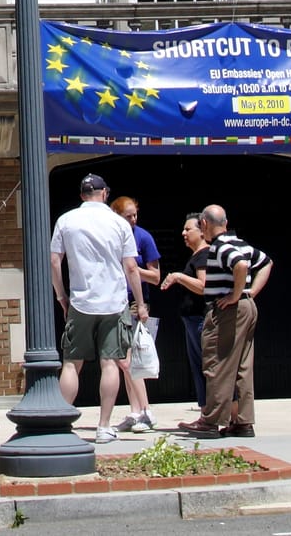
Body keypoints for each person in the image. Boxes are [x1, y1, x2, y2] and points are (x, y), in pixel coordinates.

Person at [48, 174, 145, 445]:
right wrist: (140, 301)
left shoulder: (66, 220)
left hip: (81, 301)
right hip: (114, 301)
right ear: (104, 194)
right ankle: (103, 426)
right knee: (110, 363)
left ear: (82, 195)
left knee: (71, 363)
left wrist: (61, 296)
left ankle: (61, 423)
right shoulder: (119, 223)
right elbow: (131, 267)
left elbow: (55, 261)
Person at [181, 204, 271, 440]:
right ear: (226, 222)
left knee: (217, 364)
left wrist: (235, 294)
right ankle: (242, 422)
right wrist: (249, 293)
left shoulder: (221, 246)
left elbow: (240, 265)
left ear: (204, 225)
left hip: (228, 312)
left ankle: (211, 422)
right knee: (242, 366)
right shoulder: (241, 243)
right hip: (246, 308)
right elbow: (266, 262)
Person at [110, 194, 162, 434]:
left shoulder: (143, 237)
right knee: (122, 361)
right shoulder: (112, 236)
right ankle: (135, 410)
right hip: (114, 300)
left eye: (135, 214)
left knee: (129, 360)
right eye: (127, 215)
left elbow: (155, 276)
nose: (133, 219)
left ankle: (145, 410)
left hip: (134, 303)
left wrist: (132, 270)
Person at [160, 213, 212, 414]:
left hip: (199, 319)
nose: (183, 233)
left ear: (202, 231)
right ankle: (205, 411)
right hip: (191, 320)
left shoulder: (203, 255)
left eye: (188, 229)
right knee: (198, 365)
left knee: (204, 365)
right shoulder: (196, 256)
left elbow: (203, 286)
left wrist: (179, 277)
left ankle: (210, 413)